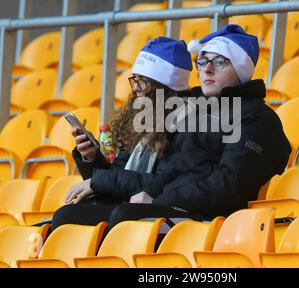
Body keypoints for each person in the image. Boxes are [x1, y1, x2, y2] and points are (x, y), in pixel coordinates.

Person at [52, 36, 198, 230]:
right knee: (69, 214)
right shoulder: (144, 119)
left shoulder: (189, 121)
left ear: (164, 87)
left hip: (163, 208)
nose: (135, 87)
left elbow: (165, 182)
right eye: (135, 79)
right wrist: (93, 158)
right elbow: (118, 175)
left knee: (108, 216)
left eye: (143, 81)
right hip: (130, 203)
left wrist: (99, 181)